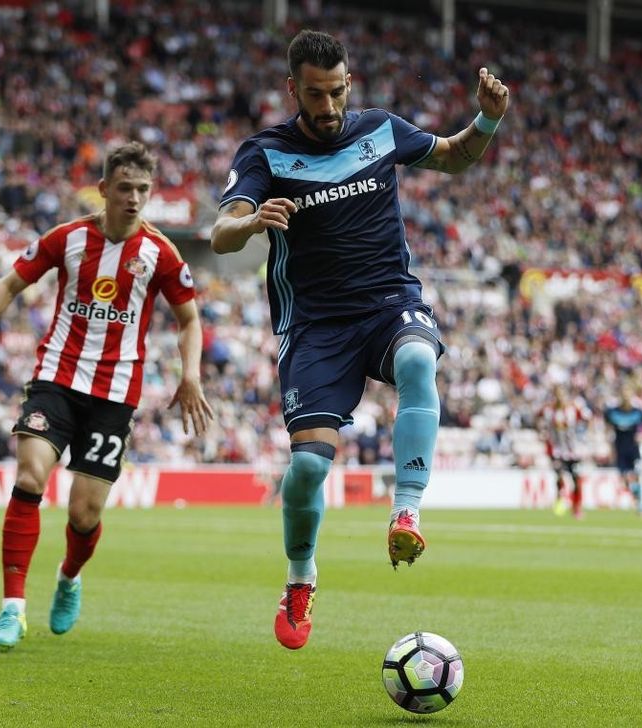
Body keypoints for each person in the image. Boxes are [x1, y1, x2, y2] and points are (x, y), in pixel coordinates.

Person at [210, 29, 509, 649]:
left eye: (338, 91)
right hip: (317, 327)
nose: (328, 107)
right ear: (293, 89)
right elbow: (220, 233)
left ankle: (407, 511)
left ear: (351, 83)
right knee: (307, 470)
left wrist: (487, 118)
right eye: (315, 95)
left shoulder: (379, 128)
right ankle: (300, 577)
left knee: (420, 362)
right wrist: (251, 222)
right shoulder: (266, 154)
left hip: (387, 302)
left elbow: (453, 155)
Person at [0, 141, 214, 651]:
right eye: (125, 188)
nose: (134, 199)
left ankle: (68, 577)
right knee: (29, 476)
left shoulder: (161, 254)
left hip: (115, 394)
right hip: (57, 379)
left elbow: (189, 319)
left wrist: (191, 374)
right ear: (105, 189)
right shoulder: (66, 239)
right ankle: (12, 608)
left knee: (84, 514)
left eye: (143, 190)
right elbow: (8, 285)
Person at [538, 386, 591, 519]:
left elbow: (588, 418)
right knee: (560, 476)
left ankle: (576, 507)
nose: (560, 398)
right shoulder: (550, 410)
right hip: (557, 451)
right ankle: (560, 499)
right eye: (557, 395)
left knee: (576, 479)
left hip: (574, 451)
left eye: (562, 394)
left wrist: (583, 435)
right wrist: (542, 432)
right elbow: (537, 417)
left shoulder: (574, 408)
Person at [604, 387, 642, 515]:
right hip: (619, 448)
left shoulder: (638, 412)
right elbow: (608, 429)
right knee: (624, 478)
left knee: (636, 476)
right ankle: (634, 493)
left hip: (633, 449)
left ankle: (640, 505)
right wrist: (610, 447)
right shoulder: (612, 413)